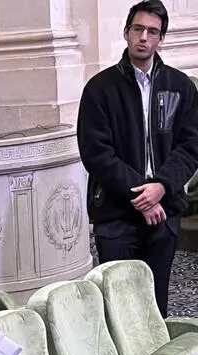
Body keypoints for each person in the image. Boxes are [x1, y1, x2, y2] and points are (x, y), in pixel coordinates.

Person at [77, 0, 198, 317]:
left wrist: (161, 186)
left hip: (164, 214)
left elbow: (190, 146)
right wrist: (143, 195)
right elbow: (97, 153)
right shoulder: (99, 89)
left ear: (161, 39)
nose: (144, 37)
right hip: (116, 214)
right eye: (138, 29)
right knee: (117, 308)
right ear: (126, 32)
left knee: (155, 306)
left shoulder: (180, 87)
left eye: (152, 31)